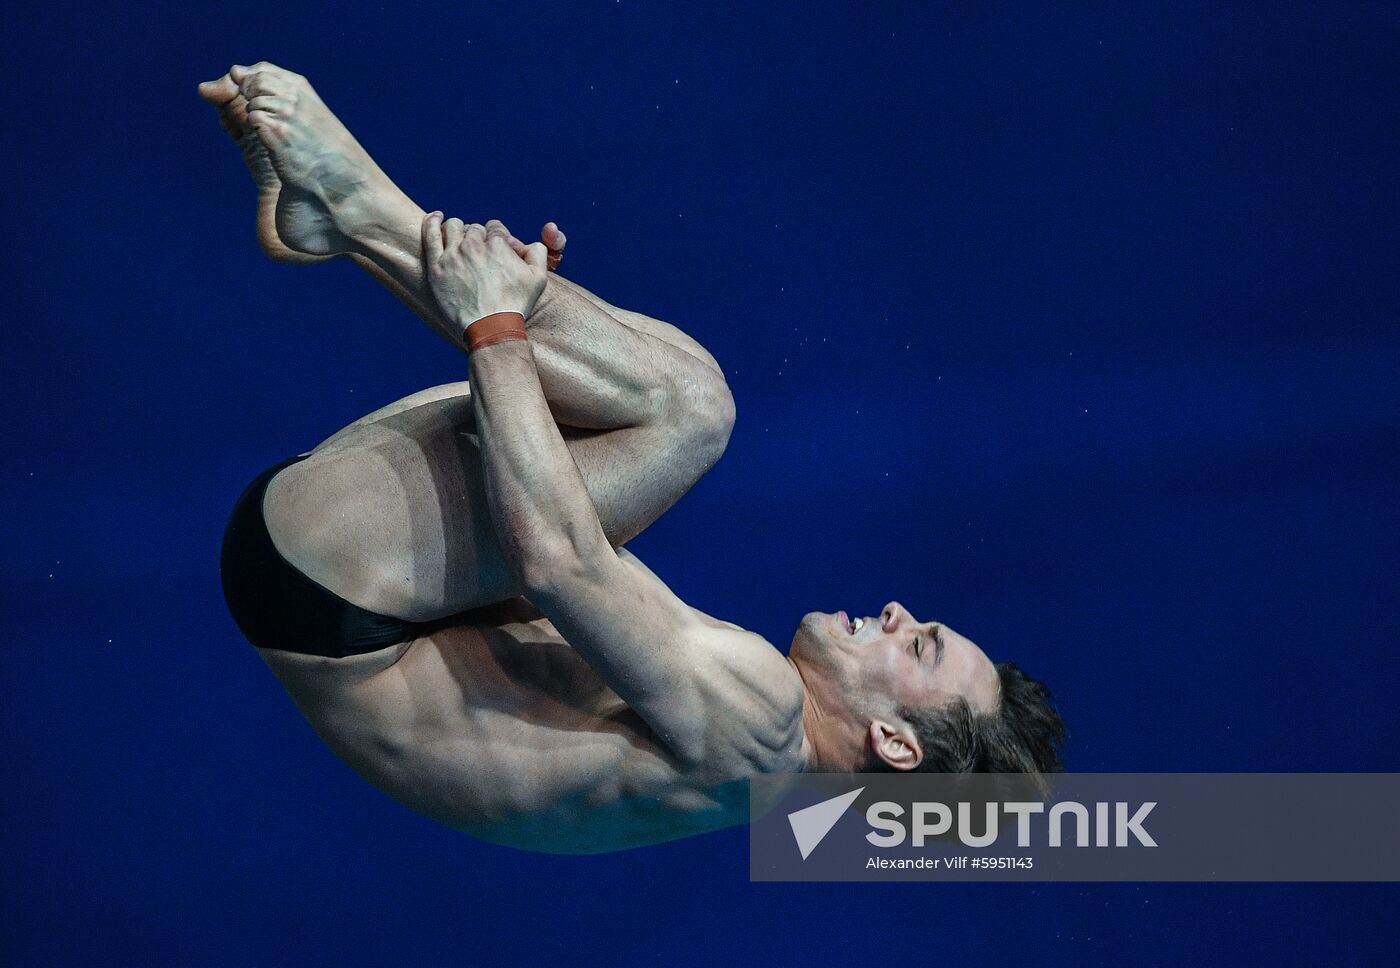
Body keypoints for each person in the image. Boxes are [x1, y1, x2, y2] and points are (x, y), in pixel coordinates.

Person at [203, 62, 1065, 853]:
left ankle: (360, 210)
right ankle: (348, 222)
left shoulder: (760, 722)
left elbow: (557, 557)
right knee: (665, 393)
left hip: (332, 582)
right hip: (340, 597)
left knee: (690, 413)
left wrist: (500, 327)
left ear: (895, 742)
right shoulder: (751, 776)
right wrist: (553, 354)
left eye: (919, 648)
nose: (898, 610)